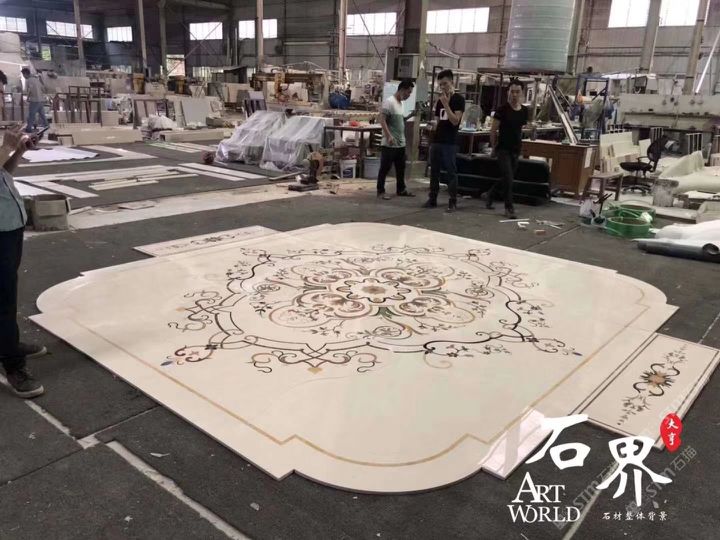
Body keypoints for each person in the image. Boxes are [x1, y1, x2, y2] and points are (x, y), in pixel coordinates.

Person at [1, 125, 46, 398]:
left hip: (9, 222)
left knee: (8, 291)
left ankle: (8, 343)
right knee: (2, 298)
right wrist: (6, 147)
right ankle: (13, 364)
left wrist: (16, 151)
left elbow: (4, 174)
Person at [424, 69, 465, 212]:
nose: (442, 87)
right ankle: (432, 198)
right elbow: (437, 121)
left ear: (452, 82)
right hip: (437, 140)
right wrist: (431, 125)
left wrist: (446, 104)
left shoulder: (458, 100)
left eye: (445, 84)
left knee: (450, 172)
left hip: (450, 142)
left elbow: (455, 121)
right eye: (440, 84)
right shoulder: (440, 101)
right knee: (434, 170)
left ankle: (452, 201)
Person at [486, 79, 528, 219]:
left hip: (516, 149)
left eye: (517, 92)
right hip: (503, 149)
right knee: (509, 178)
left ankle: (491, 194)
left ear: (522, 93)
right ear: (508, 92)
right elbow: (493, 130)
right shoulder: (502, 109)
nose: (514, 95)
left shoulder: (524, 111)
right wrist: (493, 147)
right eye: (512, 92)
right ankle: (509, 208)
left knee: (507, 178)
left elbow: (520, 129)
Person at [376, 79, 415, 200]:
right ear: (402, 90)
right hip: (390, 143)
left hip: (400, 143)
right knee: (385, 168)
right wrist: (388, 136)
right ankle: (380, 191)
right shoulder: (389, 102)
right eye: (408, 92)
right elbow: (382, 120)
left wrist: (411, 115)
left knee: (400, 168)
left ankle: (401, 189)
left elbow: (400, 120)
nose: (409, 95)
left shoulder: (400, 104)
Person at [22, 68, 47, 134]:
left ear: (25, 74)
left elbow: (28, 90)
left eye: (23, 75)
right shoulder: (36, 79)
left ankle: (28, 129)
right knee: (42, 115)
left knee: (31, 115)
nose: (23, 76)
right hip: (41, 100)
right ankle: (47, 126)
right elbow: (42, 88)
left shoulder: (28, 80)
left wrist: (27, 97)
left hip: (34, 100)